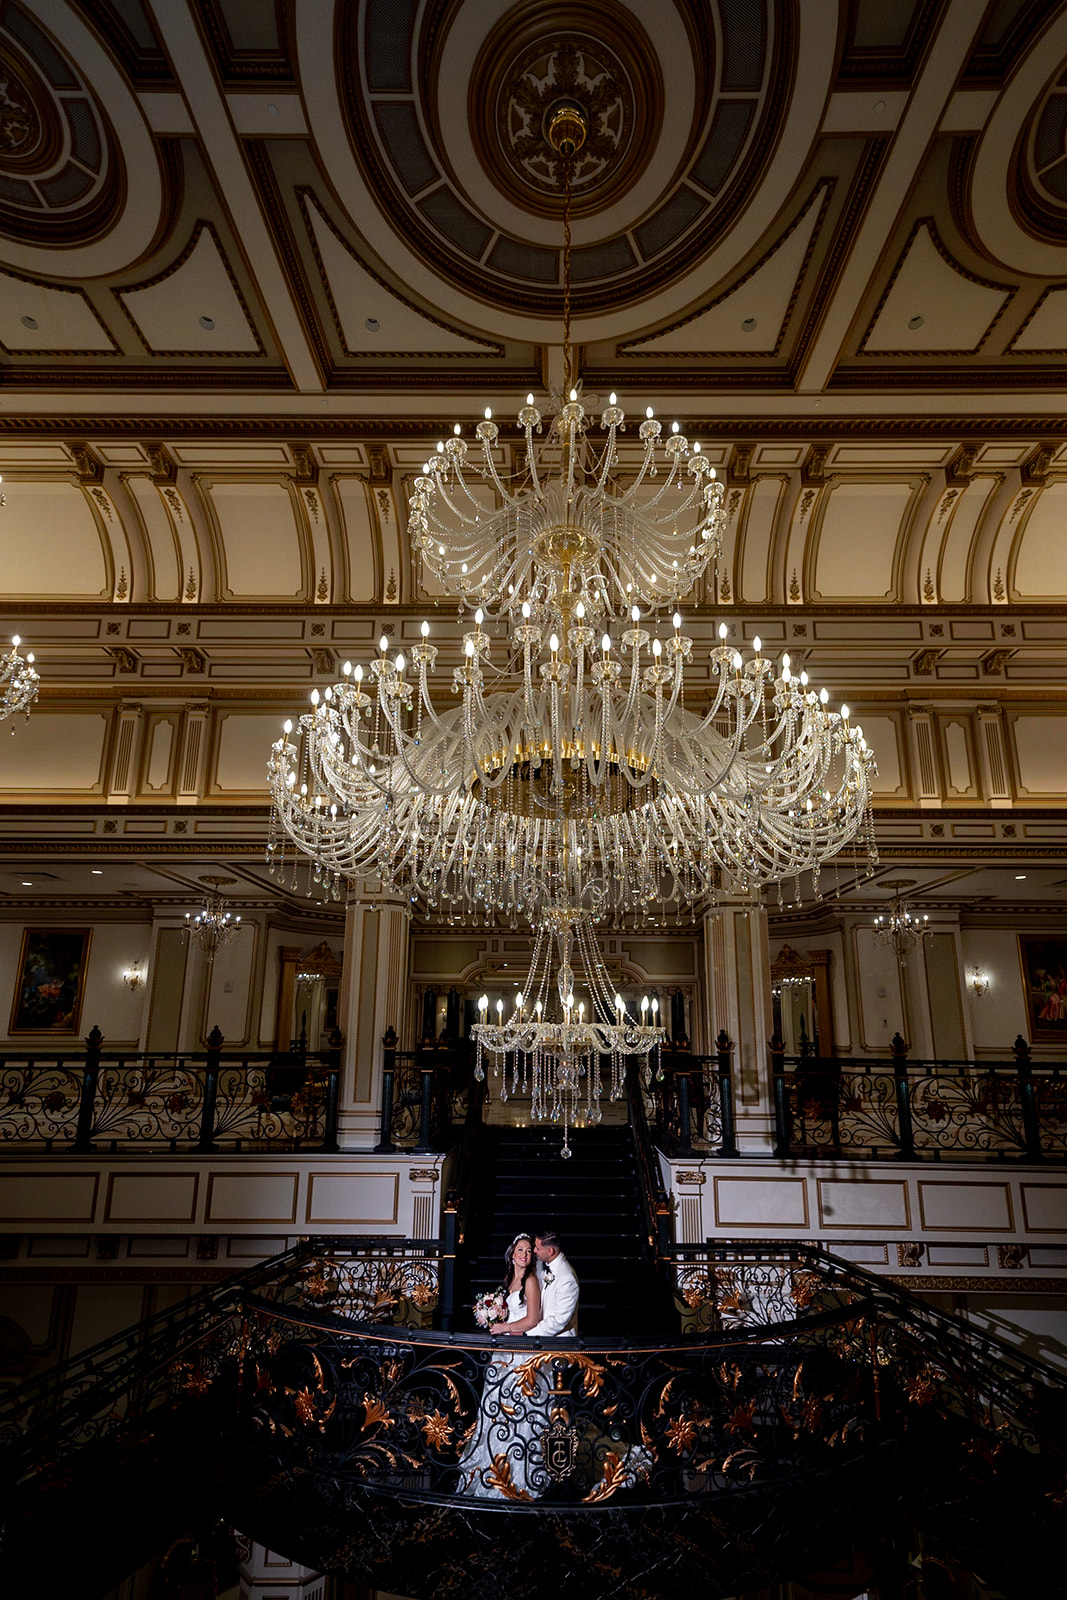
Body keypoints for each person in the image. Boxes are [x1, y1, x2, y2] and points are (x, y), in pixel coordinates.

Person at [459, 1233, 546, 1498]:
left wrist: (505, 1327)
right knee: (496, 1410)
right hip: (504, 1352)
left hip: (520, 1354)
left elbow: (532, 1319)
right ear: (512, 1254)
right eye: (520, 1249)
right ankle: (493, 1467)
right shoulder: (510, 1280)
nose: (525, 1254)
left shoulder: (531, 1281)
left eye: (529, 1251)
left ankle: (519, 1476)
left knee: (516, 1409)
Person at [533, 1229, 579, 1337]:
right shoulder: (548, 1267)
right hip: (545, 1339)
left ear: (550, 1251)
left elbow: (559, 1321)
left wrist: (528, 1334)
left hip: (559, 1343)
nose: (534, 1250)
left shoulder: (567, 1278)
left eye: (538, 1248)